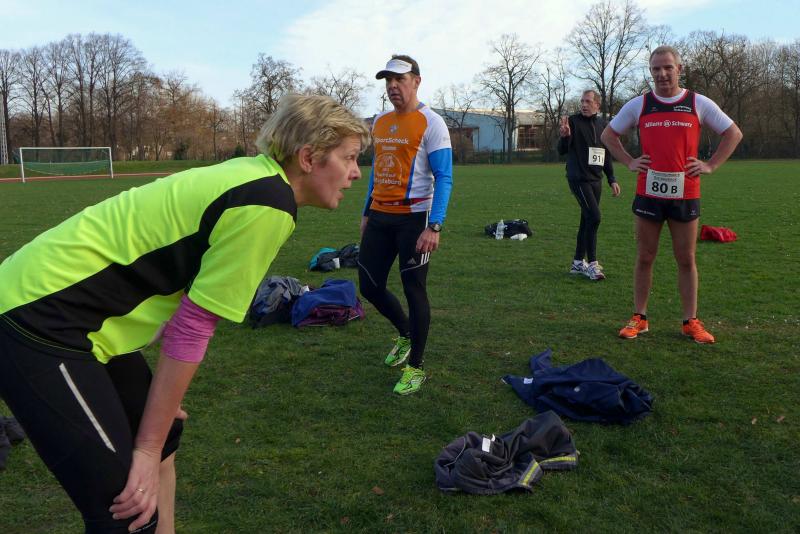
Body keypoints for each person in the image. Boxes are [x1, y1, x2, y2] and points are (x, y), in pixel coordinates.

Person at [0, 94, 370, 533]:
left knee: (163, 440)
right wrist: (144, 447)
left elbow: (180, 303)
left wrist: (159, 418)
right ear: (308, 158)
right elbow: (191, 329)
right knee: (126, 509)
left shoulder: (254, 178)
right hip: (38, 319)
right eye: (349, 157)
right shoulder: (267, 203)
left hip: (70, 313)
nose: (355, 172)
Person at [600, 45, 743, 344]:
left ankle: (690, 321)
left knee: (686, 258)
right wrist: (629, 161)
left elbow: (733, 133)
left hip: (685, 192)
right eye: (656, 69)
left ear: (679, 69)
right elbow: (608, 135)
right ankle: (640, 317)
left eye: (668, 67)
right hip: (648, 193)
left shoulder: (697, 103)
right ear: (650, 72)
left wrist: (711, 165)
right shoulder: (640, 104)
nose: (662, 74)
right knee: (645, 256)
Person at [358, 55, 453, 395]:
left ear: (416, 81)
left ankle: (416, 367)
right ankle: (405, 333)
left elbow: (444, 177)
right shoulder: (380, 122)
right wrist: (366, 212)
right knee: (369, 286)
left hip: (414, 219)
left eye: (399, 79)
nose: (393, 86)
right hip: (380, 216)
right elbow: (377, 169)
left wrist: (435, 225)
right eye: (388, 80)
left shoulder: (432, 123)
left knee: (414, 290)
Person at [558, 89, 621, 281]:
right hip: (578, 178)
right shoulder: (573, 122)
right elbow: (561, 151)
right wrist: (565, 136)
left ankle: (578, 263)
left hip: (596, 179)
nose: (584, 105)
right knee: (595, 217)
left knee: (587, 220)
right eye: (582, 101)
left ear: (597, 105)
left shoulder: (603, 125)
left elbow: (605, 154)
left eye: (588, 101)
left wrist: (612, 179)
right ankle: (593, 264)